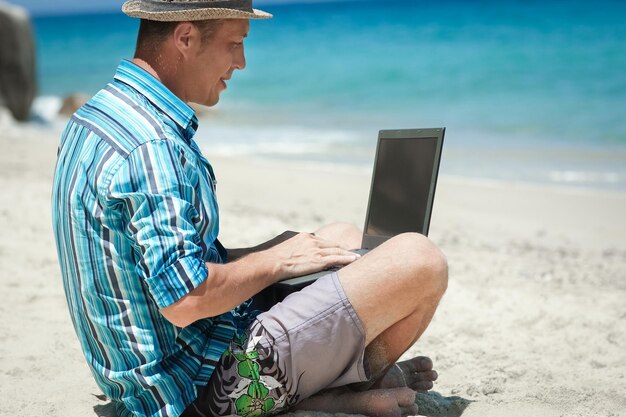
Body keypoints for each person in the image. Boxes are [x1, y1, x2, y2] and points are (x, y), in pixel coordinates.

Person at [51, 1, 448, 416]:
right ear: (185, 38)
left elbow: (153, 270)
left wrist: (269, 252)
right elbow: (186, 299)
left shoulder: (99, 116)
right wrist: (274, 262)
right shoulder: (154, 147)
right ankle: (333, 392)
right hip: (195, 391)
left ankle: (329, 382)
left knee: (340, 239)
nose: (241, 62)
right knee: (421, 260)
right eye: (235, 43)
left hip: (154, 370)